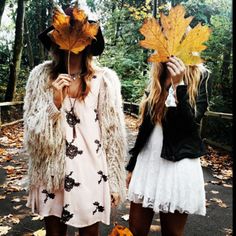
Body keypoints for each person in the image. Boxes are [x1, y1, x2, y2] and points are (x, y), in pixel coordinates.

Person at [23, 6, 126, 236]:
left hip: (92, 172)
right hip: (53, 172)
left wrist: (115, 181)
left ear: (90, 40)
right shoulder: (40, 77)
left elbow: (113, 136)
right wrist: (55, 104)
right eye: (66, 32)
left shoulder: (104, 80)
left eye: (82, 33)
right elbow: (31, 135)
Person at [126, 55, 211, 236]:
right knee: (134, 230)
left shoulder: (202, 75)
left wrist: (178, 85)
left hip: (178, 163)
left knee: (172, 232)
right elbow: (145, 128)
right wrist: (132, 166)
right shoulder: (157, 76)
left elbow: (190, 124)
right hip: (148, 161)